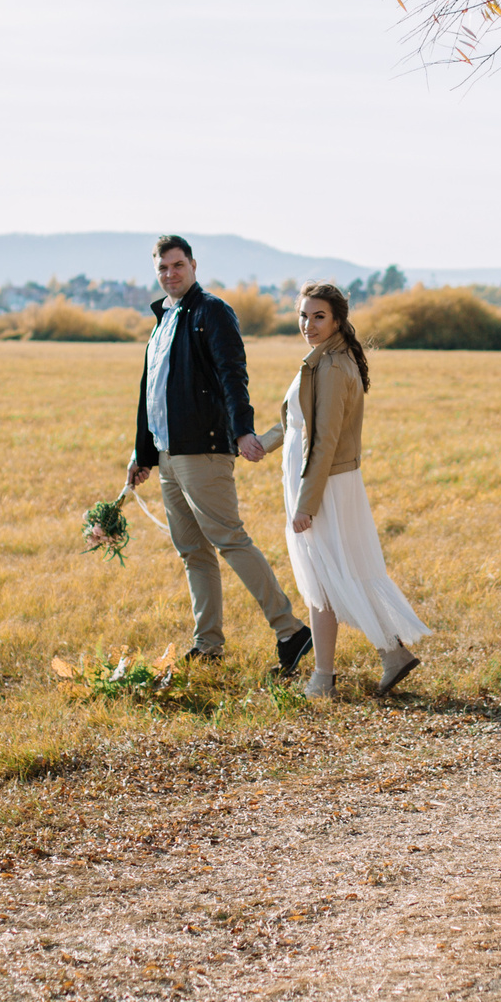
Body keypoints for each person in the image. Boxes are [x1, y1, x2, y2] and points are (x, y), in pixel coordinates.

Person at [128, 235, 313, 677]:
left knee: (229, 539)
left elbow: (233, 374)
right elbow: (149, 391)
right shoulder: (163, 319)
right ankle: (207, 644)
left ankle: (291, 631)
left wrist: (243, 429)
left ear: (192, 264)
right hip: (168, 453)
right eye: (162, 269)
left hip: (204, 450)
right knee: (192, 551)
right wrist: (143, 453)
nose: (170, 274)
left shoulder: (211, 312)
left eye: (177, 265)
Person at [255, 282, 430, 697]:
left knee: (325, 575)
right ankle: (384, 657)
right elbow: (300, 424)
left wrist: (306, 504)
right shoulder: (325, 360)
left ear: (337, 320)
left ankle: (325, 677)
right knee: (333, 573)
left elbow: (324, 440)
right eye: (303, 315)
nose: (308, 324)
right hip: (319, 480)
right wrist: (262, 442)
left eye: (318, 316)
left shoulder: (332, 367)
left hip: (324, 485)